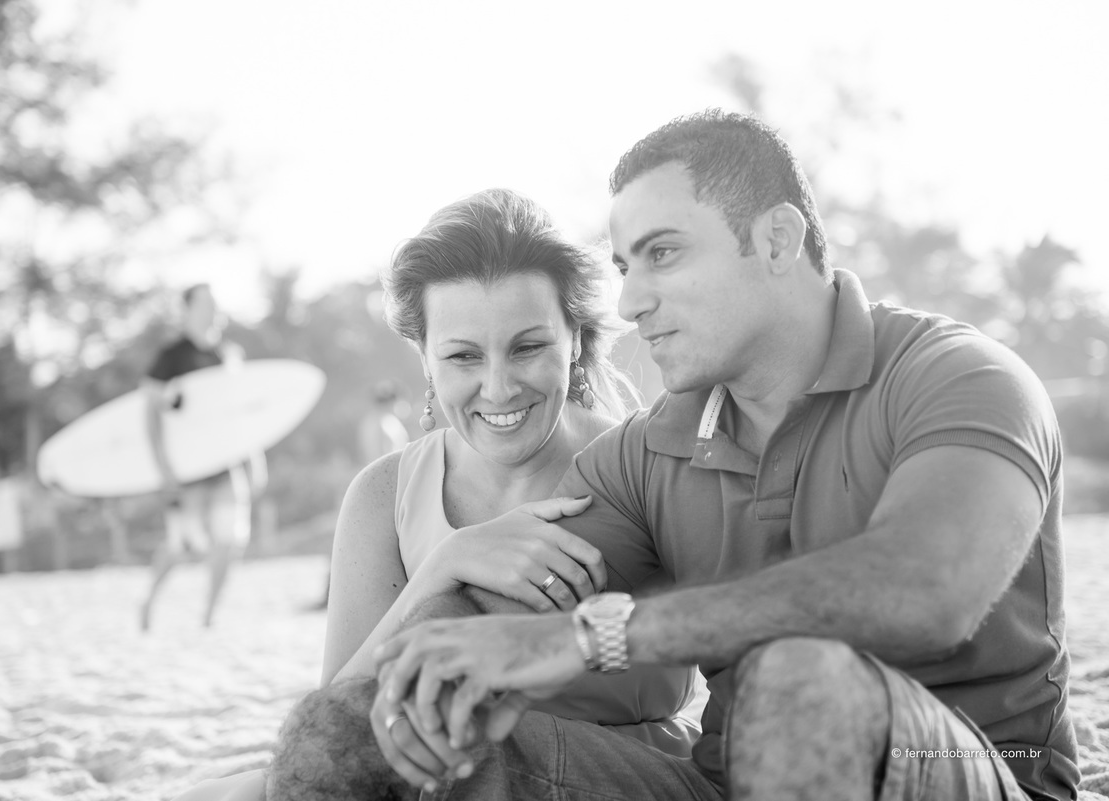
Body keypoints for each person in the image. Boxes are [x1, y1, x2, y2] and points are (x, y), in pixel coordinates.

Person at [266, 110, 1080, 801]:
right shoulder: (646, 452)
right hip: (722, 784)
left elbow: (927, 591)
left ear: (777, 239)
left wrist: (590, 639)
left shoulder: (963, 379)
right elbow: (482, 625)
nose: (629, 301)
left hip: (969, 766)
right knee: (360, 734)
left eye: (662, 253)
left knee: (801, 682)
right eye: (624, 266)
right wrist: (419, 675)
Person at [173, 189, 700, 801]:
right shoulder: (385, 495)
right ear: (424, 358)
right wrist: (442, 567)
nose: (498, 388)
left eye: (528, 347)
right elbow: (337, 728)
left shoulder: (649, 467)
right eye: (463, 356)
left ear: (575, 339)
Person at [139, 283, 264, 631]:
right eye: (205, 304)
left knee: (230, 540)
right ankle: (149, 600)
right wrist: (163, 465)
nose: (213, 310)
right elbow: (150, 411)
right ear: (188, 310)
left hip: (225, 466)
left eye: (215, 303)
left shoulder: (229, 354)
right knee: (181, 545)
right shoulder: (171, 356)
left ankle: (209, 614)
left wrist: (254, 459)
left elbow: (239, 414)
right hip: (188, 468)